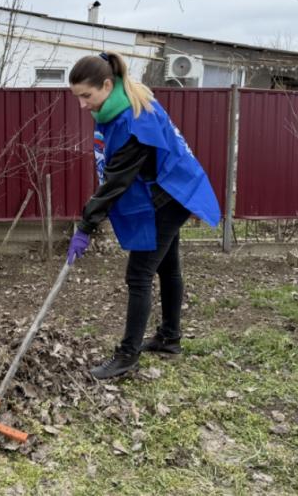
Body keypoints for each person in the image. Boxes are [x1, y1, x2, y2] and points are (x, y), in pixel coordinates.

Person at [66, 51, 220, 380]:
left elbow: (116, 182)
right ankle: (169, 337)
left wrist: (85, 226)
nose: (82, 105)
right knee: (167, 265)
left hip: (171, 193)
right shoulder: (120, 102)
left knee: (139, 275)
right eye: (77, 97)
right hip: (169, 187)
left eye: (87, 96)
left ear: (107, 85)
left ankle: (127, 355)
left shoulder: (132, 121)